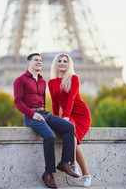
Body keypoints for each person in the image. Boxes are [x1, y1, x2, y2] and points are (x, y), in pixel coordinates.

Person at [13, 53, 79, 189]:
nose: (39, 62)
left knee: (69, 127)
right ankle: (48, 173)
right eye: (36, 60)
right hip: (31, 116)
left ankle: (65, 162)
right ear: (28, 62)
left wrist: (50, 117)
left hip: (44, 114)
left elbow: (43, 102)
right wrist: (32, 114)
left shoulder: (43, 82)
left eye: (41, 60)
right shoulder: (20, 80)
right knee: (49, 135)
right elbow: (18, 101)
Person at [48, 53, 92, 187]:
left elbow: (72, 98)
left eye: (65, 61)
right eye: (59, 61)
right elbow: (55, 104)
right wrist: (55, 120)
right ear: (55, 63)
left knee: (72, 135)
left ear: (69, 64)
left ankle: (78, 168)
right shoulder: (51, 82)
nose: (62, 63)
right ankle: (80, 170)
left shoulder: (73, 78)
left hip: (80, 113)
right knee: (73, 139)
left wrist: (65, 116)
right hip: (67, 115)